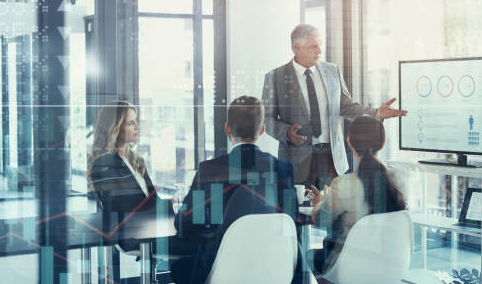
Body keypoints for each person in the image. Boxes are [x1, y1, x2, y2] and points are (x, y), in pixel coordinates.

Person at [170, 96, 301, 284]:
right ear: (262, 130)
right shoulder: (282, 169)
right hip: (275, 269)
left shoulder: (210, 169)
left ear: (227, 128)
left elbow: (184, 223)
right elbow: (292, 223)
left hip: (220, 272)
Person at [262, 23, 406, 188]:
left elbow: (346, 106)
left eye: (320, 46)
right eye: (313, 47)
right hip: (296, 160)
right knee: (298, 210)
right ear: (297, 47)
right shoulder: (275, 77)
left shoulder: (332, 71)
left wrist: (376, 113)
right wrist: (286, 132)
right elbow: (266, 118)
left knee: (333, 210)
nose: (319, 52)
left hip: (332, 157)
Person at [307, 115, 406, 274]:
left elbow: (319, 221)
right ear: (383, 143)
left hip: (349, 267)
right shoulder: (400, 179)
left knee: (305, 257)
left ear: (349, 142)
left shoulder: (343, 184)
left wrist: (320, 202)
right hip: (391, 266)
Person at [87, 100, 157, 213]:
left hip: (147, 226)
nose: (137, 127)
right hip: (127, 228)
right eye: (130, 123)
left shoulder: (138, 161)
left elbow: (154, 200)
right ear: (114, 127)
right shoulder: (103, 164)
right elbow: (123, 207)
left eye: (136, 121)